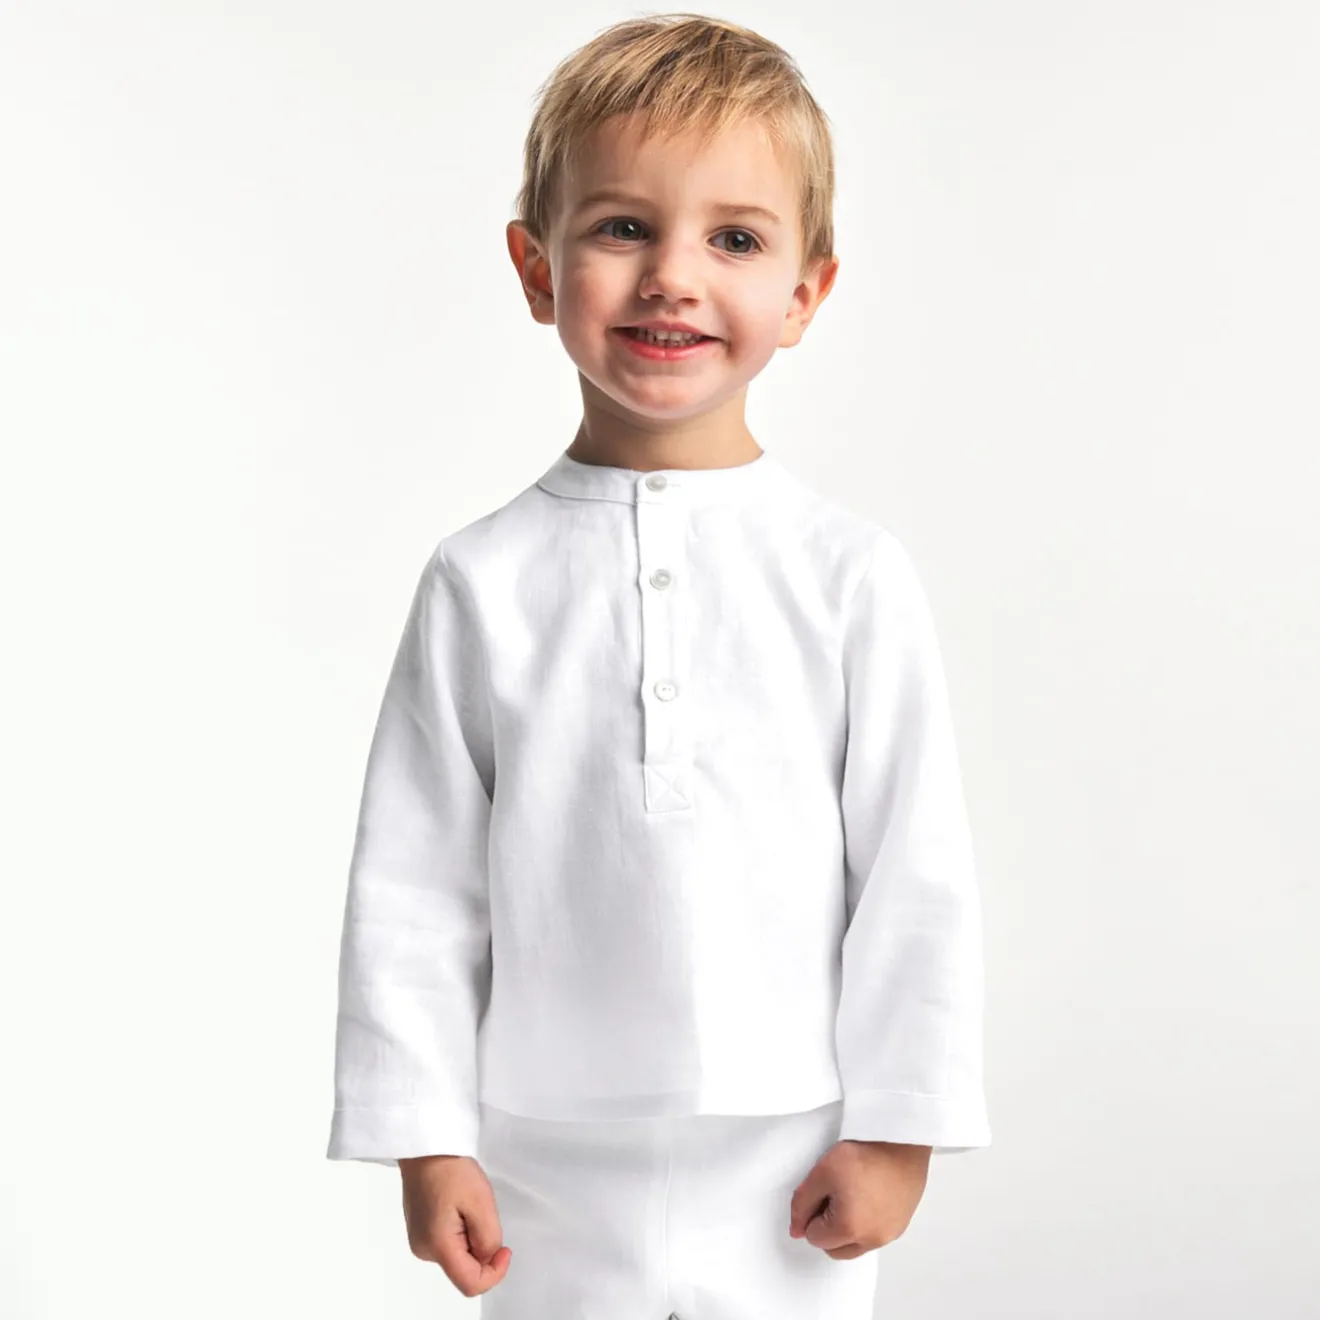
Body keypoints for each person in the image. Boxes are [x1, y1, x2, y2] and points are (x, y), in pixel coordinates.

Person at [325, 13, 991, 1318]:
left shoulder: (850, 575)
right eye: (624, 227)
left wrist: (902, 1125)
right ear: (536, 268)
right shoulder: (480, 580)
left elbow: (914, 871)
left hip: (793, 1149)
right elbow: (414, 883)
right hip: (541, 1153)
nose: (673, 276)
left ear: (805, 292)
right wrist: (424, 1134)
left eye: (734, 239)